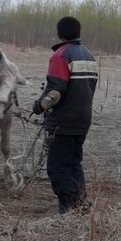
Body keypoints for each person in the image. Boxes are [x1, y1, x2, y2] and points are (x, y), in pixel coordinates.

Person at [33, 16, 98, 214]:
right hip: (82, 121)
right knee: (73, 164)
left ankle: (68, 211)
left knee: (58, 168)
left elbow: (54, 92)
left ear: (59, 34)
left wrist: (38, 106)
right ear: (78, 33)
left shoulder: (60, 56)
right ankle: (80, 206)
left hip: (63, 123)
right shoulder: (89, 56)